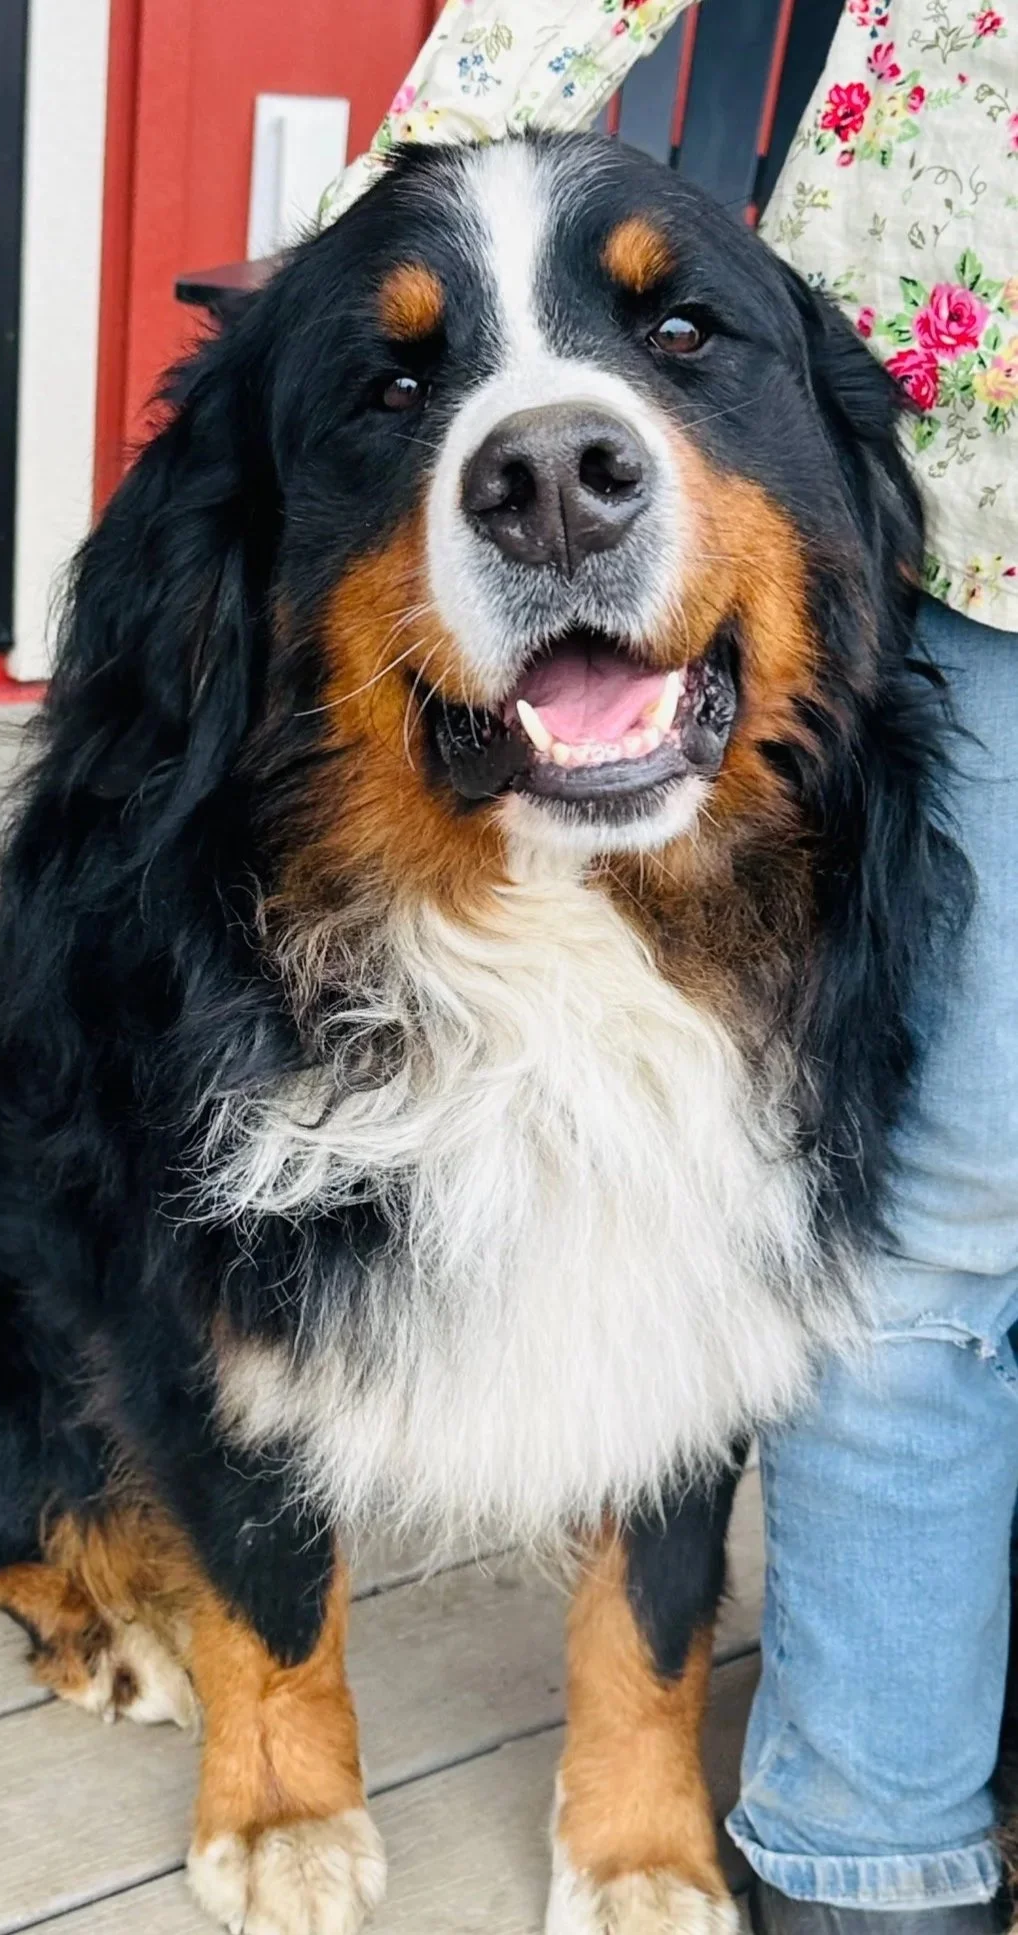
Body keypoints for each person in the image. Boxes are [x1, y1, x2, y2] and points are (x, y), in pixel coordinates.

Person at [326, 3, 1018, 1928]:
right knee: (930, 1236)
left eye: (668, 340)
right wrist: (378, 219)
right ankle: (879, 1829)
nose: (554, 451)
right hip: (1001, 433)